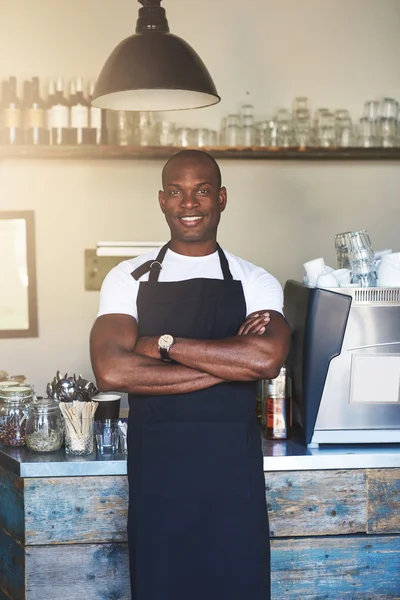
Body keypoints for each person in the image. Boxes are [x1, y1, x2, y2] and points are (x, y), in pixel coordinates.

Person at [90, 149, 290, 600]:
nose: (189, 203)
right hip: (158, 472)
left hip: (233, 472)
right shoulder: (128, 278)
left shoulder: (255, 279)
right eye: (177, 192)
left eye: (201, 191)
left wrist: (162, 345)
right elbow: (111, 369)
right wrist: (231, 365)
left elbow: (266, 361)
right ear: (162, 200)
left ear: (220, 198)